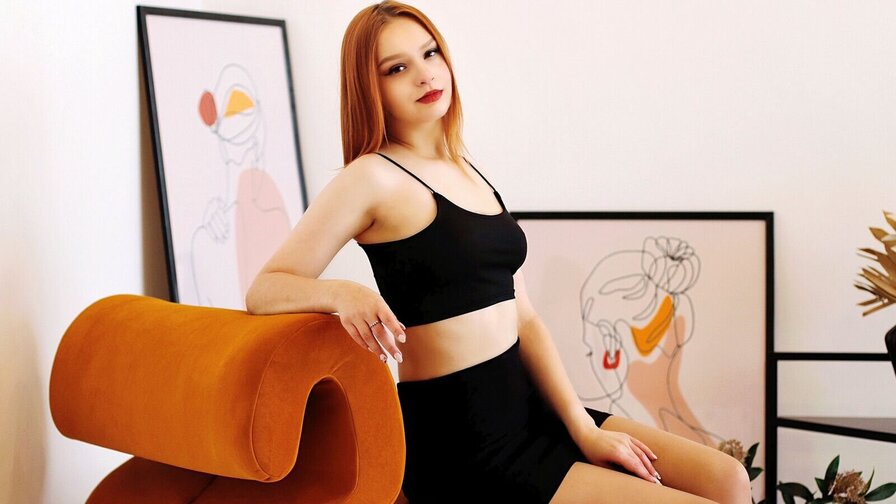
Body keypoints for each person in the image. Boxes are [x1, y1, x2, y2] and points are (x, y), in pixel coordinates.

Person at [245, 2, 752, 503]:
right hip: (465, 441)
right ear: (369, 87)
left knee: (728, 480)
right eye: (396, 68)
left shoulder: (466, 168)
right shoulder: (371, 177)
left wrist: (581, 427)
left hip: (530, 409)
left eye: (430, 53)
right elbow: (265, 288)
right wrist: (343, 293)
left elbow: (525, 319)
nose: (424, 74)